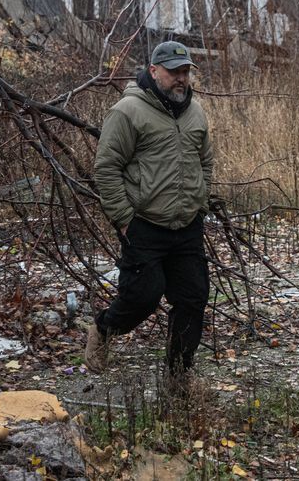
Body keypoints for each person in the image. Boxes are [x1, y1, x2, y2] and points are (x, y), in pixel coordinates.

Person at [86, 41, 214, 380]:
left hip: (187, 224)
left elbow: (205, 161)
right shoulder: (128, 111)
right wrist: (125, 221)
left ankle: (178, 374)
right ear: (154, 71)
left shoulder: (195, 111)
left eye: (185, 72)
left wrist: (200, 202)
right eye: (174, 72)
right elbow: (106, 168)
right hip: (144, 224)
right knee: (142, 296)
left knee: (193, 297)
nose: (181, 79)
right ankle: (103, 328)